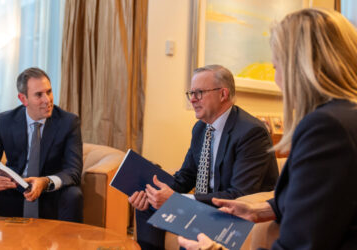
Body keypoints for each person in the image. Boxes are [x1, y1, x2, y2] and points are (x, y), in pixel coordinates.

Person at [178, 8, 357, 250]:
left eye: (276, 67)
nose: (276, 79)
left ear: (300, 66)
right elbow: (327, 200)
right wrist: (263, 209)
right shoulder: (344, 118)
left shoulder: (326, 128)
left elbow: (300, 244)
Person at [130, 65, 279, 249]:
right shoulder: (201, 128)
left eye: (199, 93)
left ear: (223, 94)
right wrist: (152, 192)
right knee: (147, 207)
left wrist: (180, 200)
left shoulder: (251, 132)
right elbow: (185, 177)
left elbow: (240, 194)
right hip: (205, 207)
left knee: (192, 229)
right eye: (191, 93)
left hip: (231, 212)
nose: (192, 100)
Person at [0, 67, 83, 223]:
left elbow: (73, 171)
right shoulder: (4, 121)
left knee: (73, 195)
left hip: (49, 196)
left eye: (49, 92)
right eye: (39, 95)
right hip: (14, 194)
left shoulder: (68, 122)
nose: (47, 100)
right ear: (23, 99)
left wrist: (44, 182)